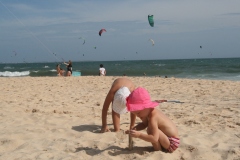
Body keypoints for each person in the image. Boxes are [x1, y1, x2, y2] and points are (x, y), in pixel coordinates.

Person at [125, 87, 180, 152]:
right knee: (151, 129)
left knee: (150, 130)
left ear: (146, 107)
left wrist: (139, 135)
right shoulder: (147, 113)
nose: (138, 116)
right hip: (167, 139)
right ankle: (159, 149)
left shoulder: (153, 117)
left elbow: (154, 139)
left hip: (172, 143)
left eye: (139, 113)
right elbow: (144, 124)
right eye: (136, 114)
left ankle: (158, 150)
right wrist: (135, 129)